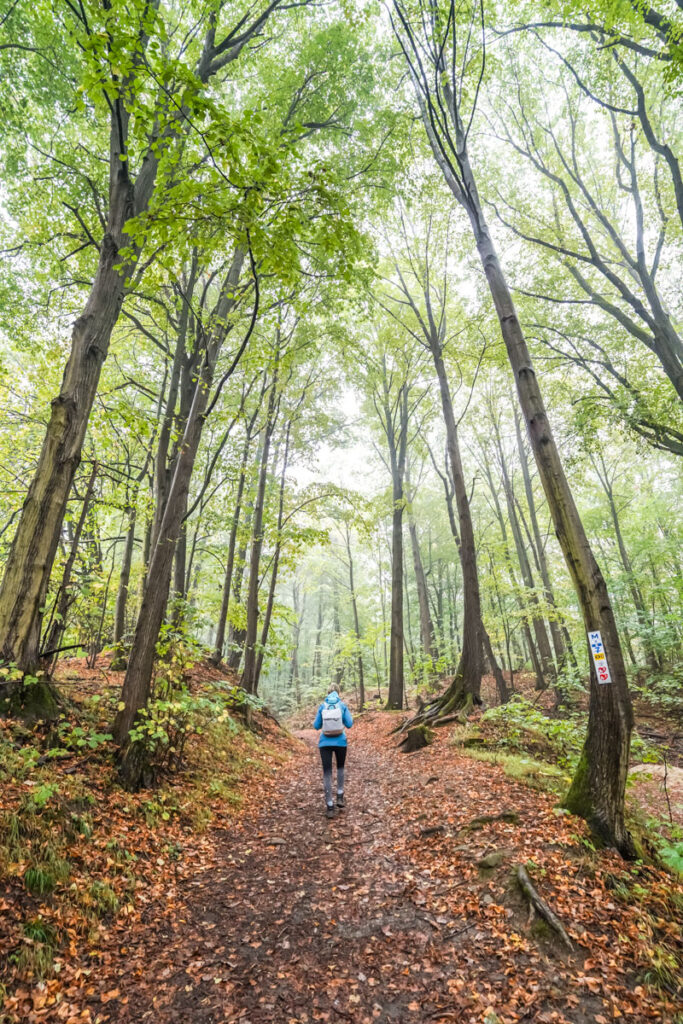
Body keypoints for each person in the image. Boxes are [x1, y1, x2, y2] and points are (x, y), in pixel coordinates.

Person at [313, 686, 353, 818]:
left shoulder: (322, 706)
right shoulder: (342, 705)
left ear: (328, 693)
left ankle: (329, 806)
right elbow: (349, 724)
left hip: (324, 743)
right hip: (341, 742)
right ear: (338, 693)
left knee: (327, 772)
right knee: (340, 767)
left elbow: (316, 726)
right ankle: (340, 796)